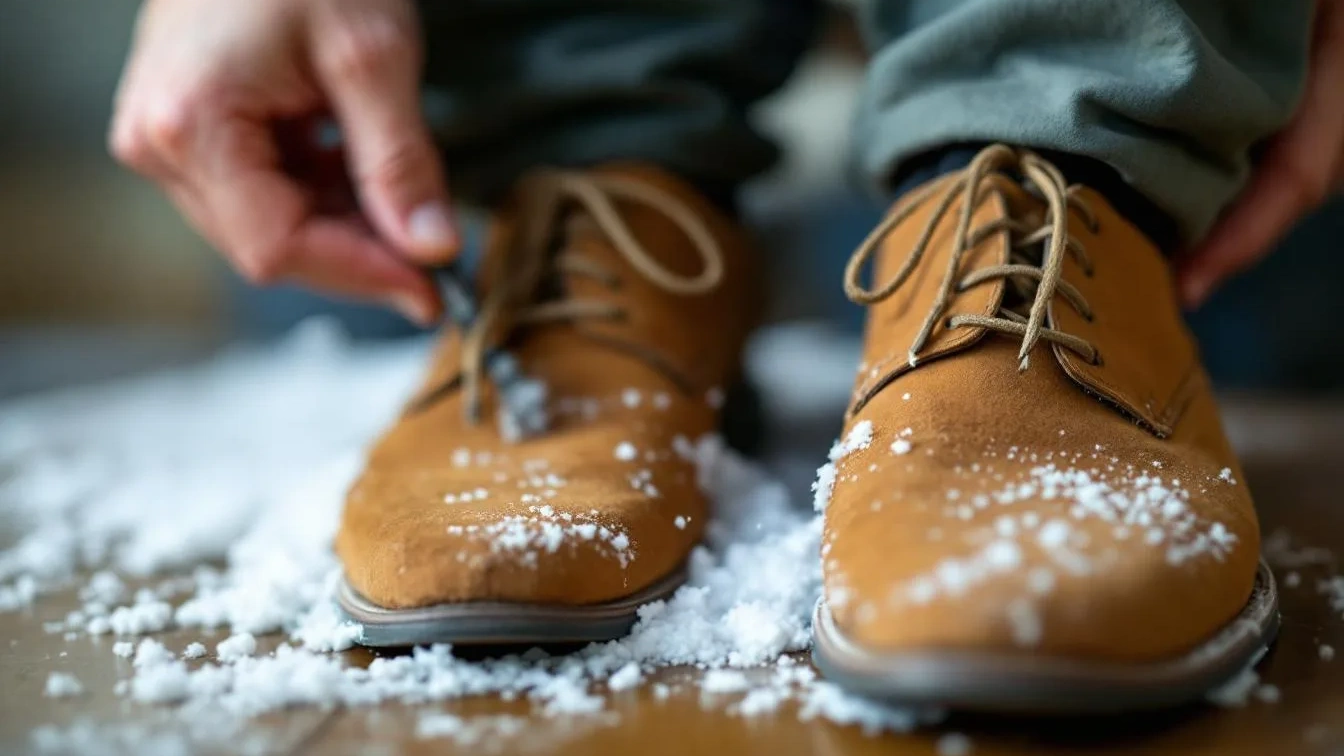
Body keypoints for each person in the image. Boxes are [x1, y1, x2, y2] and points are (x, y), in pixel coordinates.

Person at [110, 0, 1342, 711]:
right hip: (425, 87)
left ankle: (1056, 166)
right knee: (375, 277)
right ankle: (613, 201)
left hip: (1202, 122)